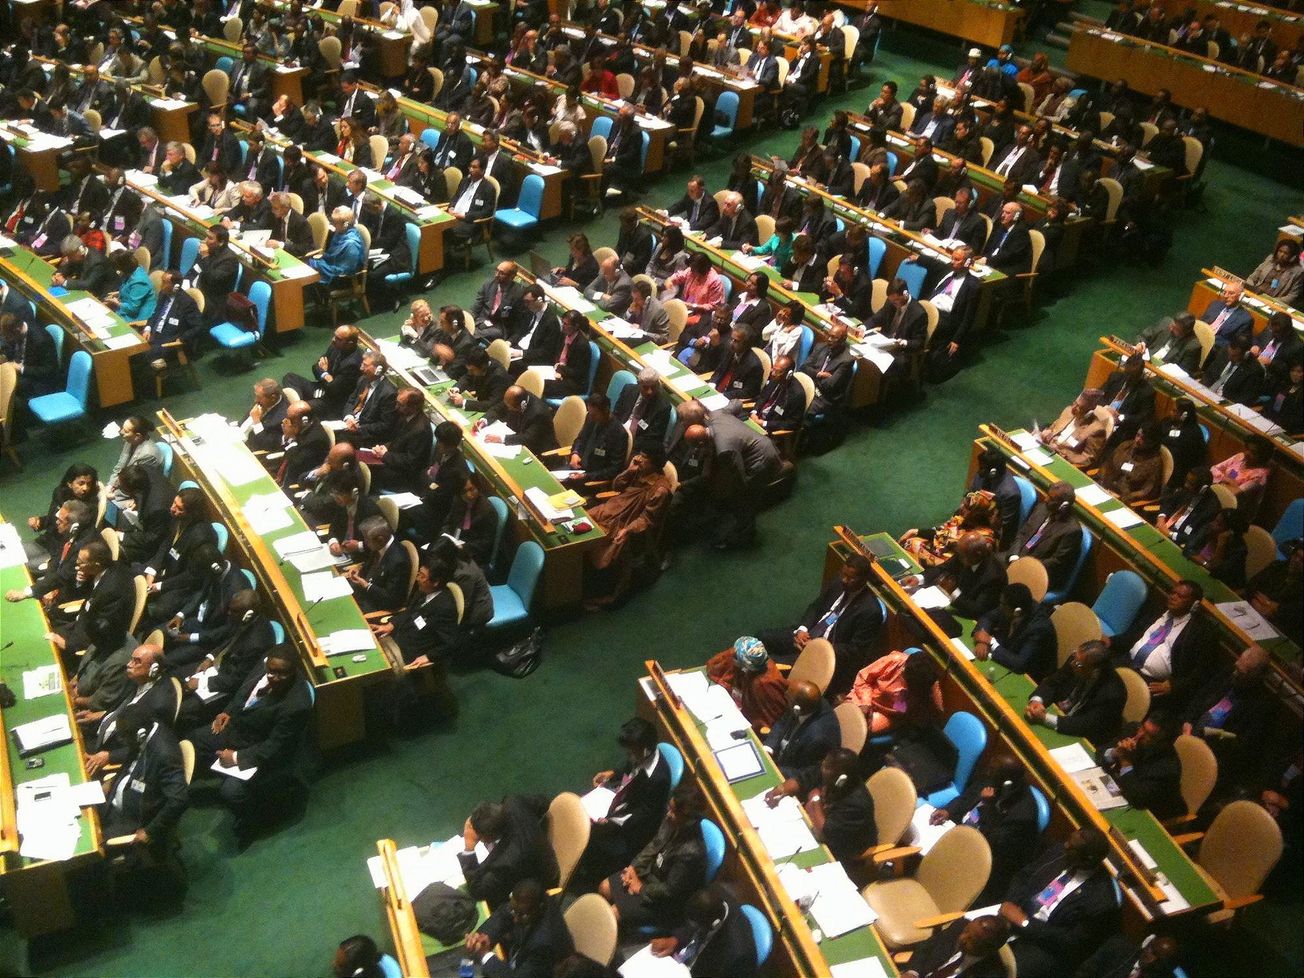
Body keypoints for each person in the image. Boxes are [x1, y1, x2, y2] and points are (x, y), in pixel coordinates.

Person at [184, 646, 314, 840]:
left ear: (294, 671)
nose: (274, 678)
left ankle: (253, 822)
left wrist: (236, 758)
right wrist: (227, 711)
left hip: (262, 749)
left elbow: (275, 747)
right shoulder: (266, 664)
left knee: (231, 792)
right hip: (240, 727)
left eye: (282, 674)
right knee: (195, 739)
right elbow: (244, 690)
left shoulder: (296, 704)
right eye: (271, 671)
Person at [1000, 826, 1119, 978]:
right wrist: (1011, 902)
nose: (1065, 846)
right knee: (977, 934)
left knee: (1003, 971)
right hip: (1014, 913)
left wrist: (1026, 923)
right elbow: (1023, 876)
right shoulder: (1059, 852)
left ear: (1088, 858)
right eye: (1068, 841)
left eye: (1072, 848)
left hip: (1042, 944)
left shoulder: (1102, 900)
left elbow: (1070, 941)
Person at [573, 717, 674, 891]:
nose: (629, 755)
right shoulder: (640, 754)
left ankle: (589, 876)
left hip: (638, 828)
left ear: (645, 750)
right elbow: (629, 768)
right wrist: (612, 773)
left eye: (632, 751)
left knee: (593, 831)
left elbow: (644, 814)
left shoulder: (659, 778)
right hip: (623, 803)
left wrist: (614, 822)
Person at [933, 756, 1041, 905]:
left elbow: (993, 843)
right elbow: (966, 797)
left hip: (978, 857)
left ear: (1007, 782)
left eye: (992, 771)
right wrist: (948, 811)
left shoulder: (1023, 816)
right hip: (956, 831)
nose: (988, 773)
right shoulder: (994, 777)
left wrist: (988, 807)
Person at [599, 783, 707, 931]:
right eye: (670, 807)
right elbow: (654, 845)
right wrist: (633, 868)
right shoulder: (671, 820)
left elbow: (670, 891)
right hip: (648, 875)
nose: (669, 814)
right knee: (604, 887)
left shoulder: (692, 854)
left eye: (675, 812)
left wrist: (641, 888)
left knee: (613, 914)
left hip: (663, 902)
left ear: (690, 820)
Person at [584, 448, 673, 607]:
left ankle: (607, 594)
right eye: (639, 455)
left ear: (654, 463)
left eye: (644, 457)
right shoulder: (637, 471)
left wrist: (628, 530)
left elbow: (647, 519)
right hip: (612, 510)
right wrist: (628, 471)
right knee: (581, 523)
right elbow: (616, 486)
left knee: (609, 545)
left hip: (627, 522)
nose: (638, 459)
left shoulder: (660, 490)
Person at [765, 747, 876, 863]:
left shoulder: (856, 805)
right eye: (824, 763)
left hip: (841, 853)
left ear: (841, 779)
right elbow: (802, 779)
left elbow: (823, 834)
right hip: (814, 829)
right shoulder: (829, 769)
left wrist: (815, 799)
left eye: (826, 767)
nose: (822, 767)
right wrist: (781, 790)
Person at [1119, 579, 1214, 710]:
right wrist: (1112, 641)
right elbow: (1134, 634)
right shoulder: (1158, 610)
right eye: (1173, 593)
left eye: (1180, 596)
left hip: (1151, 681)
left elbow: (1201, 672)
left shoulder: (1198, 631)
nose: (1173, 597)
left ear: (1194, 604)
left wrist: (1175, 685)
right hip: (1128, 661)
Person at [464, 879, 574, 977]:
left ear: (539, 908)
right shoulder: (528, 903)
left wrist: (485, 955)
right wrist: (479, 939)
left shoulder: (543, 945)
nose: (515, 919)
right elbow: (503, 914)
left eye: (522, 915)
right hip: (520, 956)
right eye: (513, 911)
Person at [1025, 641, 1125, 745]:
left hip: (1080, 737)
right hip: (1059, 713)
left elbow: (1084, 725)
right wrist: (1037, 701)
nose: (1072, 664)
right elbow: (1052, 683)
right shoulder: (1078, 659)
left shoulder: (1113, 695)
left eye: (1078, 664)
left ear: (1094, 672)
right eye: (1074, 655)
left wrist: (1045, 718)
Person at [649, 886, 759, 977]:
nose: (694, 929)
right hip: (683, 965)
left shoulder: (738, 953)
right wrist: (675, 939)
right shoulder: (713, 893)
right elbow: (692, 926)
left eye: (699, 927)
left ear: (714, 925)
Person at [1097, 714, 1185, 818]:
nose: (1139, 735)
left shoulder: (1168, 768)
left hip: (1149, 815)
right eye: (1143, 728)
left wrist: (1125, 763)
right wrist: (1115, 752)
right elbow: (1099, 752)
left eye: (1149, 735)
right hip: (1121, 795)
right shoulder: (1133, 730)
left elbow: (1137, 799)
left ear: (1164, 743)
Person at [1002, 481, 1083, 592]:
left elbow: (1056, 563)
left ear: (1063, 505)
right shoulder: (1042, 508)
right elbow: (1022, 533)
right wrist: (1014, 556)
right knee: (989, 566)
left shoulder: (1072, 531)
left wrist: (1025, 565)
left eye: (1051, 499)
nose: (1046, 500)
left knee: (1001, 584)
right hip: (1017, 558)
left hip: (1037, 573)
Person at [848, 648, 944, 736]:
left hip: (887, 714)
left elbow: (901, 710)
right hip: (865, 695)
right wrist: (866, 703)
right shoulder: (894, 661)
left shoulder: (924, 683)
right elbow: (864, 678)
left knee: (860, 729)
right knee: (846, 713)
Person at [705, 636, 789, 734]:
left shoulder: (764, 684)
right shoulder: (742, 657)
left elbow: (769, 719)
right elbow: (713, 667)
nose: (732, 655)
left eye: (736, 657)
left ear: (746, 666)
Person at [973, 584, 1056, 680]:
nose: (1000, 607)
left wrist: (991, 642)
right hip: (1006, 658)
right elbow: (987, 618)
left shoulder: (1039, 628)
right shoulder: (1014, 604)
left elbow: (1020, 664)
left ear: (1017, 612)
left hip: (1029, 679)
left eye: (1002, 604)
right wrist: (982, 641)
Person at [900, 491, 1001, 568]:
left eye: (967, 507)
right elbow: (942, 533)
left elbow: (960, 551)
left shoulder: (986, 538)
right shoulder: (964, 520)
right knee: (911, 541)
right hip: (941, 551)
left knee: (918, 551)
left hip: (955, 565)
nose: (961, 508)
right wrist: (916, 531)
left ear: (978, 514)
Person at [763, 680, 841, 776]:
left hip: (789, 771)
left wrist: (774, 770)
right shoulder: (809, 703)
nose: (785, 694)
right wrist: (769, 748)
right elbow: (782, 722)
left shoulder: (818, 738)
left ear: (797, 709)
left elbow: (809, 773)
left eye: (788, 696)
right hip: (780, 756)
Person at [900, 914, 1012, 978]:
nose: (962, 938)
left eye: (971, 940)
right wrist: (912, 972)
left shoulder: (990, 973)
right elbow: (926, 946)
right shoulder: (960, 926)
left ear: (987, 949)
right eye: (966, 931)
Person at [1245, 539, 1303, 645]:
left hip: (1276, 631)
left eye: (1302, 560)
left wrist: (1275, 610)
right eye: (1296, 556)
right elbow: (1252, 585)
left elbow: (1293, 616)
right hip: (1250, 612)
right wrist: (1262, 603)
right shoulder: (1277, 567)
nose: (1297, 561)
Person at [1098, 421, 1166, 505]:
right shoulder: (1125, 446)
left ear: (1152, 442)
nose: (1137, 440)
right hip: (1105, 488)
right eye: (1138, 435)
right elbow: (1107, 465)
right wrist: (1101, 482)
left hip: (1124, 499)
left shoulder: (1154, 462)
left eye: (1143, 439)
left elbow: (1147, 491)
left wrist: (1127, 497)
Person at [1039, 389, 1109, 469]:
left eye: (1079, 407)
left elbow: (1087, 459)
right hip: (1046, 449)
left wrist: (1061, 453)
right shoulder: (1068, 411)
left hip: (1062, 462)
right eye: (1074, 403)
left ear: (1091, 408)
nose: (1073, 408)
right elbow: (1053, 428)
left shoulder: (1097, 429)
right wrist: (1046, 434)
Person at [1075, 933, 1181, 978]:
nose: (1152, 960)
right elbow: (1085, 971)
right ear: (1147, 944)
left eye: (1158, 959)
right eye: (1152, 952)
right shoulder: (1118, 947)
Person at [1246, 239, 1302, 308]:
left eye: (1286, 253)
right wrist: (1250, 290)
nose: (1281, 255)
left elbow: (1292, 295)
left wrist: (1272, 302)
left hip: (1273, 302)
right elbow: (1252, 278)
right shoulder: (1270, 260)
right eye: (1280, 251)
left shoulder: (1297, 272)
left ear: (1293, 257)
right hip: (1254, 294)